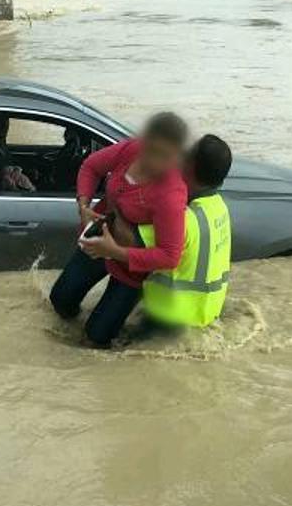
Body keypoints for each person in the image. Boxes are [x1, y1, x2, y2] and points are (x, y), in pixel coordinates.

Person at [48, 112, 189, 347]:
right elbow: (90, 166)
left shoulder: (171, 194)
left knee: (96, 337)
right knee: (60, 300)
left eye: (166, 156)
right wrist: (83, 205)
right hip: (101, 238)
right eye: (152, 150)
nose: (155, 161)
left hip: (132, 264)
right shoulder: (129, 151)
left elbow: (170, 256)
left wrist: (115, 252)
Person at [95, 134, 234, 333]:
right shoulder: (220, 208)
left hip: (169, 319)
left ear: (191, 166)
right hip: (206, 314)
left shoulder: (183, 220)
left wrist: (116, 198)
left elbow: (126, 237)